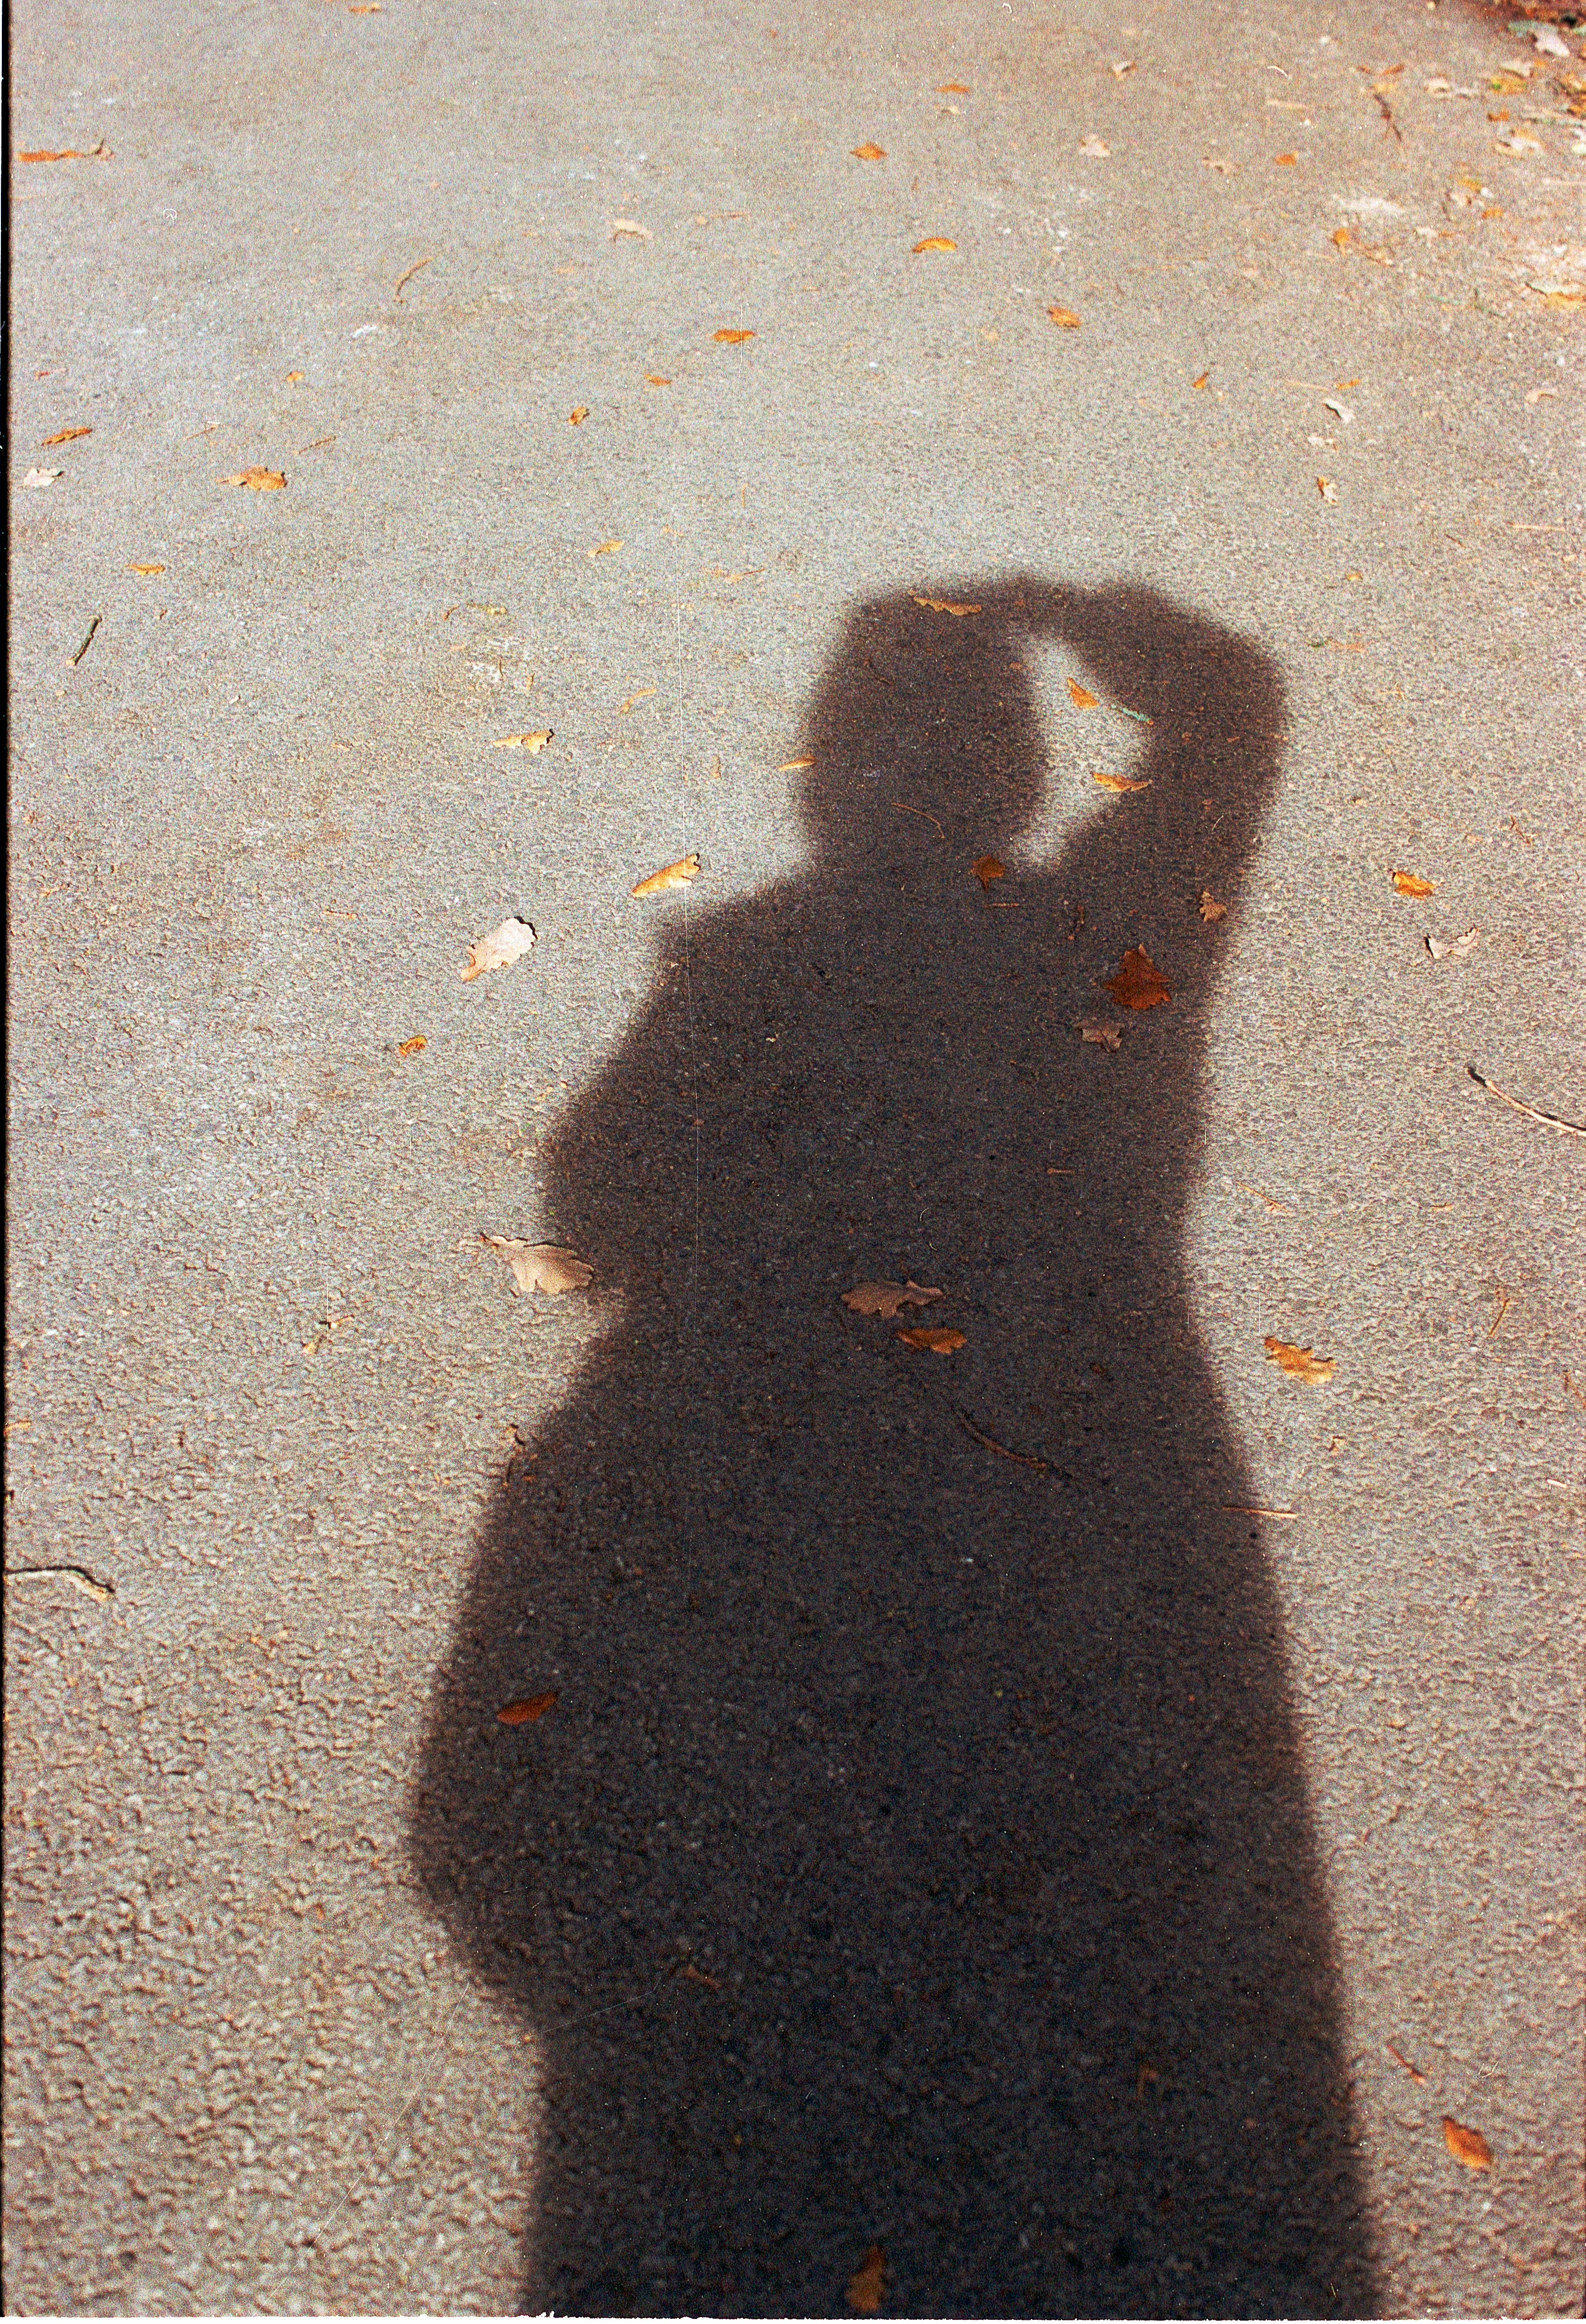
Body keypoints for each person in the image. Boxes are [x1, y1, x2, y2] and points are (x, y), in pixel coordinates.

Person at [411, 577, 1372, 2316]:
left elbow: (596, 1200)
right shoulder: (1087, 933)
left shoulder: (743, 965)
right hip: (1100, 1463)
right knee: (1129, 1998)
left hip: (785, 1493)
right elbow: (1225, 723)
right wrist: (1066, 612)